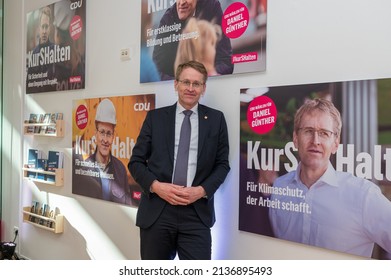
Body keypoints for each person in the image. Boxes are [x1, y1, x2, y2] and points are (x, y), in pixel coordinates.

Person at [128, 61, 230, 260]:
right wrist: (157, 187)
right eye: (186, 82)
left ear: (203, 88)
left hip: (196, 213)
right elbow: (136, 162)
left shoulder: (216, 120)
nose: (190, 88)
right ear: (176, 84)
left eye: (196, 84)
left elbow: (222, 165)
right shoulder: (155, 118)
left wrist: (201, 191)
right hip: (158, 212)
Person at [268, 98, 391, 258]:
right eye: (308, 131)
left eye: (324, 133)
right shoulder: (279, 187)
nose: (315, 141)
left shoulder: (363, 196)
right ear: (296, 138)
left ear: (335, 144)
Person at [152, 0, 233, 80]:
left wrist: (204, 78)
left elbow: (226, 61)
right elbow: (156, 71)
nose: (182, 2)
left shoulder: (212, 7)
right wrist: (181, 83)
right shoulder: (168, 18)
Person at [73, 99, 131, 205]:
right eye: (102, 132)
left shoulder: (121, 170)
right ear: (96, 134)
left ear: (113, 136)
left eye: (109, 133)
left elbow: (127, 204)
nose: (105, 139)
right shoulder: (84, 168)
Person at [26, 6, 56, 93]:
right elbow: (28, 85)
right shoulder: (34, 53)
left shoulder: (55, 50)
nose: (44, 31)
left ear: (50, 28)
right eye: (42, 27)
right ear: (39, 28)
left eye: (46, 27)